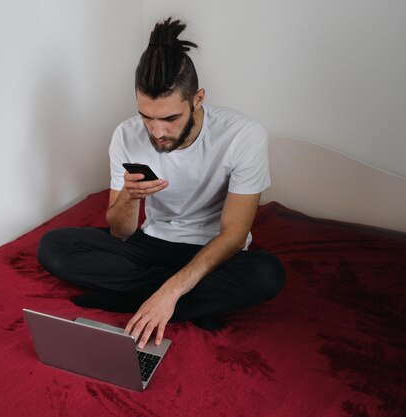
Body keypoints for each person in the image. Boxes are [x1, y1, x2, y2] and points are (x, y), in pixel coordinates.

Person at [37, 18, 285, 349]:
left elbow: (234, 235)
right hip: (152, 243)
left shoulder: (243, 136)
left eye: (169, 118)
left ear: (197, 99)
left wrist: (170, 292)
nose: (156, 132)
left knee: (267, 273)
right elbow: (121, 233)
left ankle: (139, 299)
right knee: (54, 247)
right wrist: (128, 197)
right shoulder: (125, 135)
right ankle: (195, 305)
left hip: (212, 250)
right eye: (146, 116)